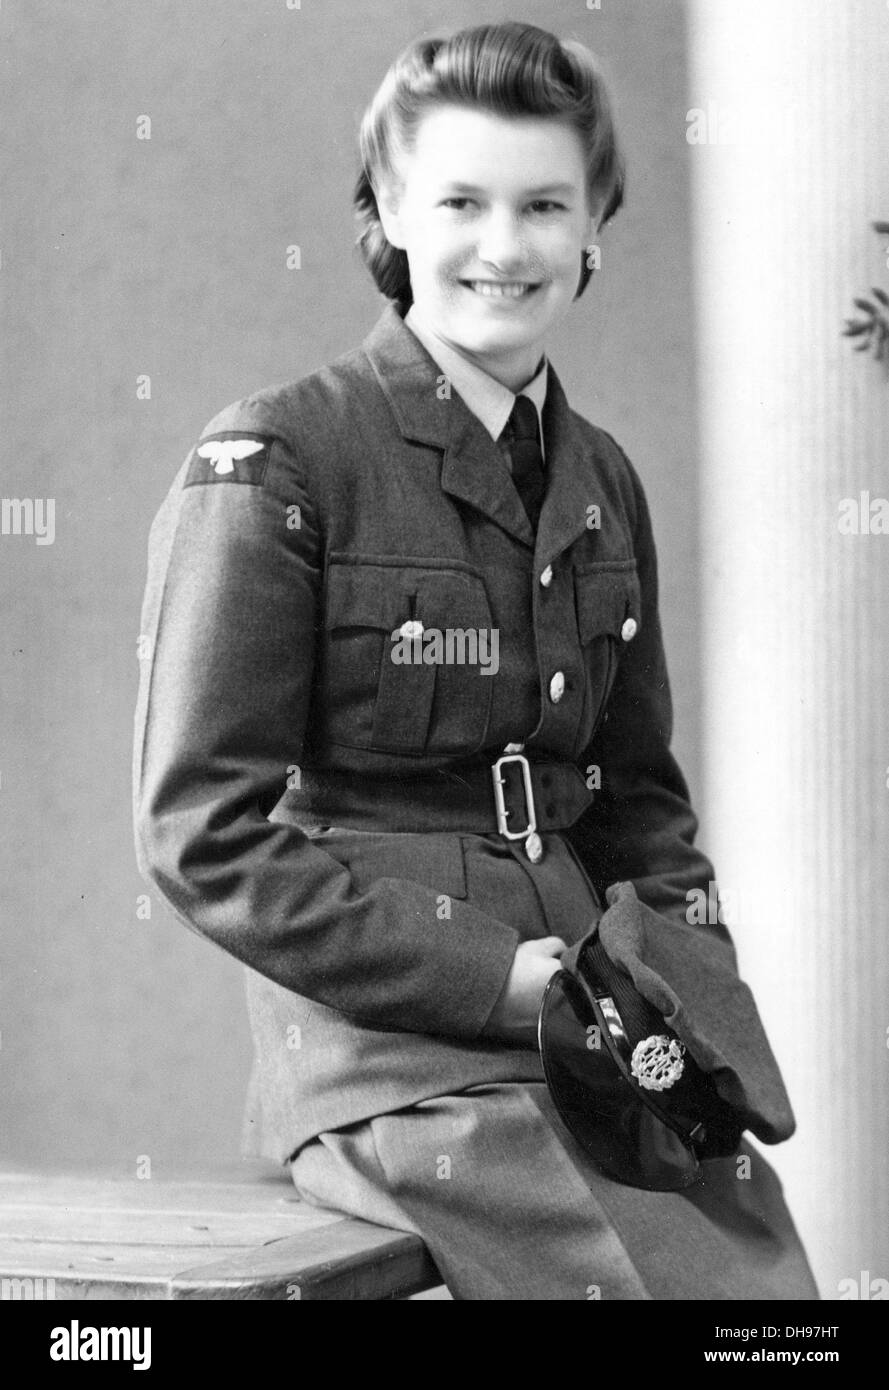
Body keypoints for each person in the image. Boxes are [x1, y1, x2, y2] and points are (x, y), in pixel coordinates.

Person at [133, 20, 819, 1300]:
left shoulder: (601, 478)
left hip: (598, 1023)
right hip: (397, 1059)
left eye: (544, 205)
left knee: (770, 1279)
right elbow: (200, 834)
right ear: (389, 208)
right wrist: (489, 980)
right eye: (459, 200)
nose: (502, 248)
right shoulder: (281, 459)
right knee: (665, 1291)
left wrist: (684, 999)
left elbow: (639, 797)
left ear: (595, 224)